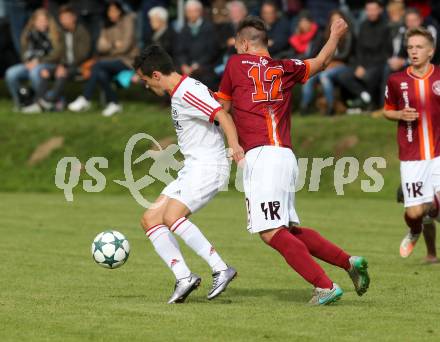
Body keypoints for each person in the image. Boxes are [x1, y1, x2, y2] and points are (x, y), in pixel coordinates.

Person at [215, 16, 370, 305]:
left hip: (260, 156)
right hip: (285, 155)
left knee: (269, 231)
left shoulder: (235, 64)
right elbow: (321, 61)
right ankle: (349, 261)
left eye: (238, 46)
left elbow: (222, 106)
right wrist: (335, 33)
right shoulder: (286, 68)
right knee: (287, 229)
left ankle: (325, 286)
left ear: (245, 44)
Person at [133, 45, 244, 304]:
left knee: (172, 216)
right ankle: (184, 277)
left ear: (157, 75)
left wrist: (234, 147)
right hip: (192, 169)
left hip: (209, 166)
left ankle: (220, 268)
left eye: (146, 79)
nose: (147, 86)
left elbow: (223, 117)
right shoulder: (180, 92)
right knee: (150, 219)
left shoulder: (187, 91)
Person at [383, 27, 440, 259]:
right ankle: (415, 229)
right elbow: (387, 111)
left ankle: (430, 209)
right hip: (411, 156)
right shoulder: (396, 80)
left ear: (431, 51)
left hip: (438, 153)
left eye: (419, 47)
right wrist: (400, 115)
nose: (413, 51)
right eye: (410, 47)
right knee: (415, 212)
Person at [68, 1, 138, 117]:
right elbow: (100, 46)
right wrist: (114, 45)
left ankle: (86, 98)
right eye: (110, 11)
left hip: (127, 60)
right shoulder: (106, 24)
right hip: (109, 61)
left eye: (114, 10)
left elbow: (126, 46)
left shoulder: (128, 20)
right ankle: (114, 103)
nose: (112, 14)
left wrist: (109, 47)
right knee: (100, 74)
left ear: (120, 11)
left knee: (97, 65)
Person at [25, 5, 91, 112]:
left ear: (73, 17)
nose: (64, 21)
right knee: (44, 72)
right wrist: (60, 65)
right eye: (62, 18)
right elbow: (59, 53)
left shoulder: (82, 32)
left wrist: (64, 66)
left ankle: (48, 100)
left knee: (62, 74)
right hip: (62, 64)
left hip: (78, 66)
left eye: (66, 17)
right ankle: (38, 101)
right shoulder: (61, 33)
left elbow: (83, 55)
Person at [337, 0, 392, 111]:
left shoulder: (387, 26)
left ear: (380, 10)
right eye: (368, 10)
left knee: (368, 77)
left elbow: (386, 52)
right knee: (343, 76)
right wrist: (360, 65)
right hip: (362, 63)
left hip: (378, 64)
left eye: (373, 10)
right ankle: (366, 97)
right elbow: (359, 49)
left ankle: (368, 103)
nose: (371, 13)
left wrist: (365, 67)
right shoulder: (363, 26)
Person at [5, 8, 62, 112]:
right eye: (40, 21)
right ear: (34, 22)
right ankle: (21, 102)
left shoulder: (54, 34)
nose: (43, 23)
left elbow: (57, 54)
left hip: (49, 64)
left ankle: (40, 102)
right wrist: (27, 62)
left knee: (35, 73)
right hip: (30, 63)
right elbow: (24, 52)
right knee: (11, 73)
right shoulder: (28, 34)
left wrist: (39, 61)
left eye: (45, 21)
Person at [300, 10, 353, 115]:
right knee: (308, 77)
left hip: (343, 66)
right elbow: (320, 53)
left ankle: (330, 106)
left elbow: (346, 55)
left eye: (338, 20)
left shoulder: (348, 35)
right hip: (327, 65)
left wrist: (330, 61)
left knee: (324, 76)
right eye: (333, 20)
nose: (336, 22)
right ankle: (304, 107)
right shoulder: (325, 35)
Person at [174, 0, 218, 90]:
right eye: (189, 12)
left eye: (195, 11)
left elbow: (212, 51)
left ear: (200, 12)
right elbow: (179, 51)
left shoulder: (209, 28)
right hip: (187, 67)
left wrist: (197, 65)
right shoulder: (183, 30)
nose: (192, 14)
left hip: (205, 66)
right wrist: (183, 64)